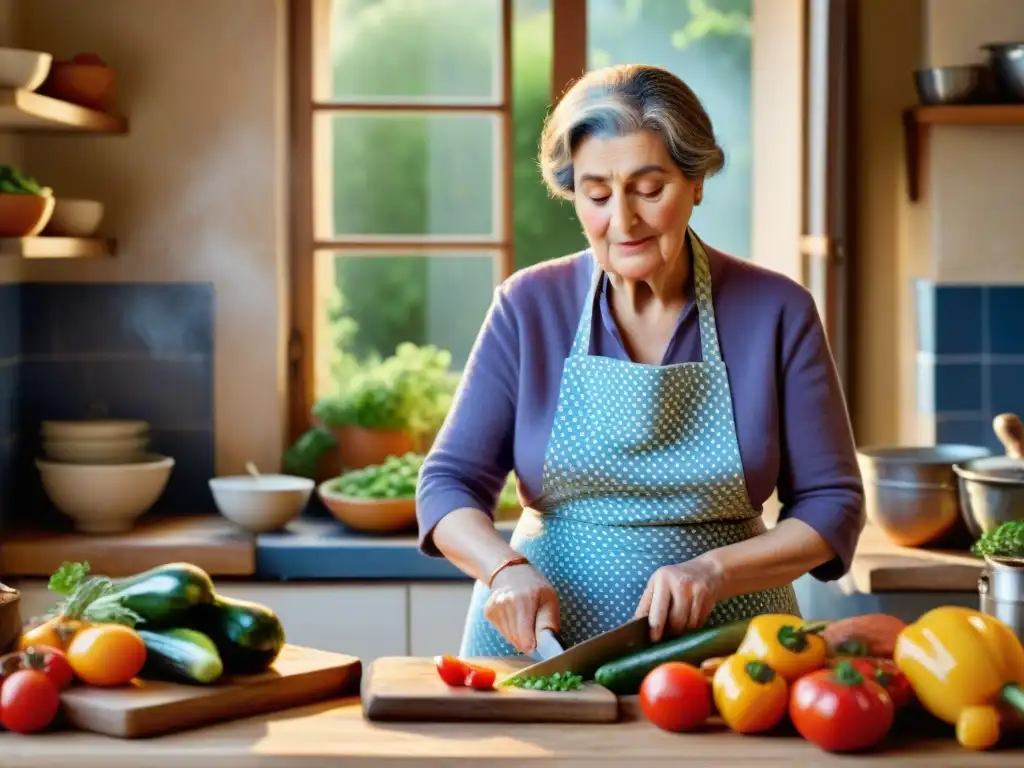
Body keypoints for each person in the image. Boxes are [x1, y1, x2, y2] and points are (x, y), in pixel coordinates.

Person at [415, 63, 864, 657]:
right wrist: (503, 570)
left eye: (650, 191)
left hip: (730, 655)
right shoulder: (529, 305)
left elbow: (833, 504)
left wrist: (716, 571)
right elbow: (448, 485)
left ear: (696, 181)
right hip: (540, 646)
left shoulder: (777, 310)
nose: (622, 221)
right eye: (597, 194)